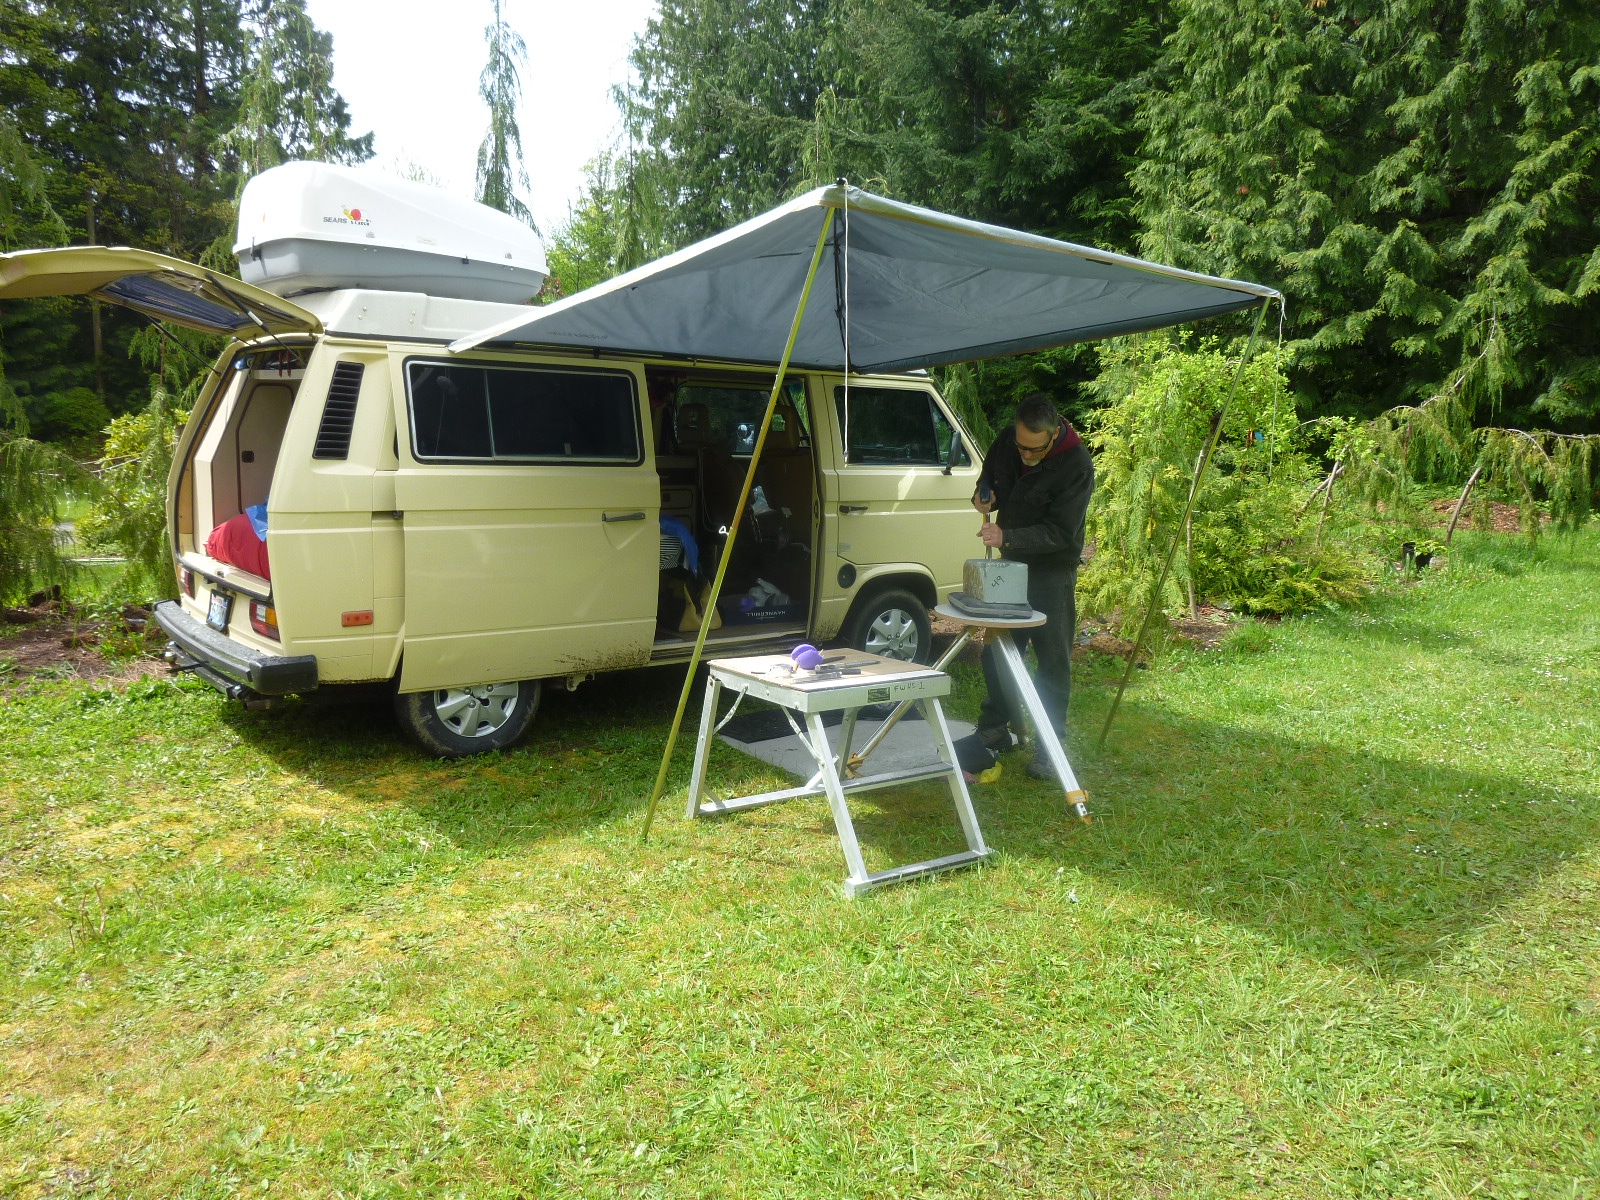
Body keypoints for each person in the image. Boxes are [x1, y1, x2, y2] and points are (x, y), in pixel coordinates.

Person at [971, 393, 1094, 778]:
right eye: (1021, 447)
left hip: (1051, 571)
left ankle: (1049, 746)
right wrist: (983, 494)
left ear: (1054, 433)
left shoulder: (1077, 465)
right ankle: (996, 727)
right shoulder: (1010, 440)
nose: (1025, 454)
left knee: (1051, 661)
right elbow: (989, 476)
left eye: (1035, 450)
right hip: (1010, 566)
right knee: (998, 651)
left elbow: (1060, 531)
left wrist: (1006, 536)